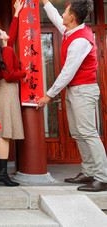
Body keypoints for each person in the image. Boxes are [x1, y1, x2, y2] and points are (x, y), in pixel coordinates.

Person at [37, 0, 107, 192]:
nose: (63, 15)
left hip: (84, 90)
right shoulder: (71, 31)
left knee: (89, 133)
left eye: (65, 11)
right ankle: (88, 171)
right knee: (78, 132)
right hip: (74, 90)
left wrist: (49, 95)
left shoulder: (80, 40)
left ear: (72, 17)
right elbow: (55, 18)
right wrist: (45, 2)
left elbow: (68, 72)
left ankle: (103, 176)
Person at [0, 0, 26, 187]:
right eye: (2, 31)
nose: (5, 32)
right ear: (0, 38)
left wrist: (16, 13)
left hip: (3, 92)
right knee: (4, 134)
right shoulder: (7, 50)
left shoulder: (4, 49)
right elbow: (10, 76)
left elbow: (13, 35)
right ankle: (2, 172)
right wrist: (25, 72)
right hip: (8, 91)